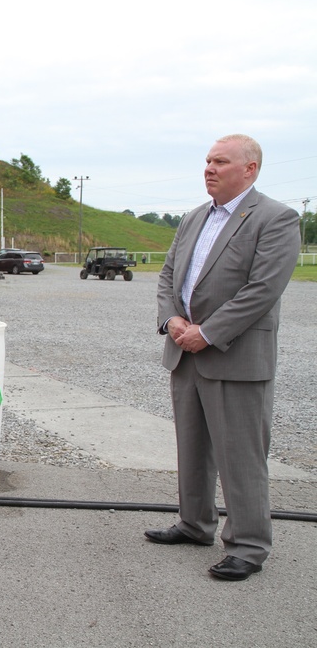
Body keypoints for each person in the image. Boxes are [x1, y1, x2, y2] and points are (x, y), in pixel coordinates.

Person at [147, 134, 300, 581]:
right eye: (207, 161)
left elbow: (263, 289)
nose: (209, 169)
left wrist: (208, 333)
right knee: (192, 447)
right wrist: (172, 322)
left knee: (241, 456)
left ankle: (249, 546)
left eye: (221, 162)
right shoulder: (194, 217)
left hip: (235, 356)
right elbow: (168, 276)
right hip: (185, 351)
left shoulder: (275, 218)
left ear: (249, 169)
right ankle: (195, 525)